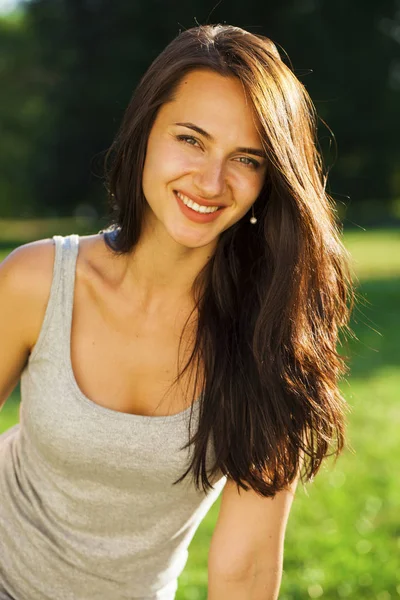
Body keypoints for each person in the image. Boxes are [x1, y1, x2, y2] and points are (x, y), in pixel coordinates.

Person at [0, 23, 354, 600]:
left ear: (270, 182)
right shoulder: (38, 280)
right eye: (190, 139)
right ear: (145, 134)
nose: (211, 181)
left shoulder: (272, 340)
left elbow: (245, 566)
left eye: (247, 158)